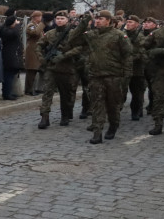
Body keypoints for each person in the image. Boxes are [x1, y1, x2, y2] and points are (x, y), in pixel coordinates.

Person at [78, 11, 132, 143]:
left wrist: (126, 75)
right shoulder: (91, 35)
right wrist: (85, 22)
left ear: (108, 20)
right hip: (96, 75)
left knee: (112, 105)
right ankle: (97, 132)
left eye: (100, 19)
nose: (97, 21)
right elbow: (73, 39)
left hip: (113, 76)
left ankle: (113, 126)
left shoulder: (119, 35)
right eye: (96, 19)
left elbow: (127, 55)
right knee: (97, 104)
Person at [37, 11, 81, 129]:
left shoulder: (73, 33)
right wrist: (41, 58)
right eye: (57, 18)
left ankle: (65, 116)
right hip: (52, 67)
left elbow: (80, 48)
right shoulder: (50, 33)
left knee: (66, 94)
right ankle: (44, 117)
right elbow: (39, 45)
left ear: (67, 20)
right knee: (47, 92)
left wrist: (65, 55)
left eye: (62, 18)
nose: (59, 20)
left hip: (66, 68)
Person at [123, 16, 148, 121]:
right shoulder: (122, 35)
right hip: (123, 69)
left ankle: (136, 111)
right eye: (127, 22)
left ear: (137, 24)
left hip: (136, 69)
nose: (128, 24)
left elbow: (142, 53)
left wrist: (130, 58)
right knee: (120, 92)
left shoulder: (141, 37)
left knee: (136, 93)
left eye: (131, 22)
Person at [0, 15, 23, 100]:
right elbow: (14, 34)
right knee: (8, 75)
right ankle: (6, 93)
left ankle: (8, 92)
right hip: (9, 56)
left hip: (12, 55)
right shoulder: (6, 31)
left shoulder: (8, 29)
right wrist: (17, 25)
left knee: (10, 75)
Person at [24, 11, 45, 95]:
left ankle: (34, 88)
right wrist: (42, 24)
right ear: (36, 17)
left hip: (37, 50)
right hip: (32, 51)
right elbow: (35, 33)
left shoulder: (36, 25)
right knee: (31, 71)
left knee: (36, 70)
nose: (41, 18)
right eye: (40, 17)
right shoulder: (31, 25)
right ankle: (29, 90)